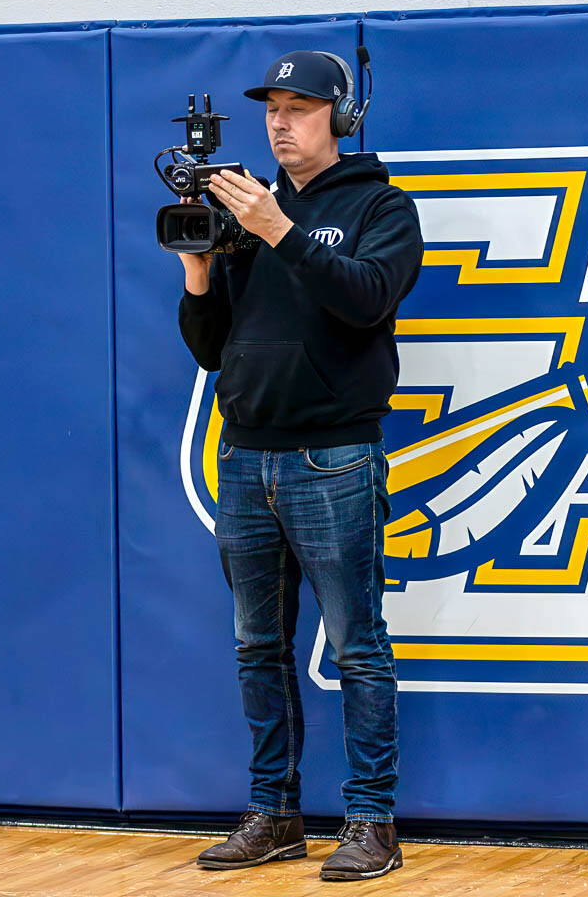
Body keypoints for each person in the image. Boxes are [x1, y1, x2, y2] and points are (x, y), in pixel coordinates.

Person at [176, 49, 424, 882]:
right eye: (272, 109)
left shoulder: (382, 207)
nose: (281, 123)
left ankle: (371, 821)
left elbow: (367, 299)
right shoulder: (249, 210)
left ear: (341, 118)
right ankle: (274, 813)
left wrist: (278, 230)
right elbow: (213, 349)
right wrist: (200, 273)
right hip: (245, 457)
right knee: (257, 647)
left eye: (300, 108)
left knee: (357, 646)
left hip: (333, 459)